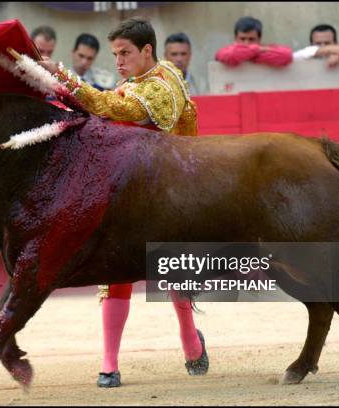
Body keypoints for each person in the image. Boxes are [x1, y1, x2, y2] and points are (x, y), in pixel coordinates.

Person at [39, 16, 208, 388]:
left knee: (173, 270)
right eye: (115, 54)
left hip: (168, 193)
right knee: (114, 270)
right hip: (130, 188)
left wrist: (63, 75)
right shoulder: (143, 78)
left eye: (125, 53)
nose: (118, 61)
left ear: (147, 51)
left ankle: (190, 341)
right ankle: (109, 363)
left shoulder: (161, 87)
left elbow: (113, 108)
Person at [215, 16, 292, 67]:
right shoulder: (226, 50)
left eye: (251, 39)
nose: (246, 43)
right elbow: (230, 55)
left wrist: (250, 54)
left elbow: (286, 55)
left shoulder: (265, 49)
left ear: (259, 39)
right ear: (235, 38)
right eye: (242, 39)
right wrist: (256, 50)